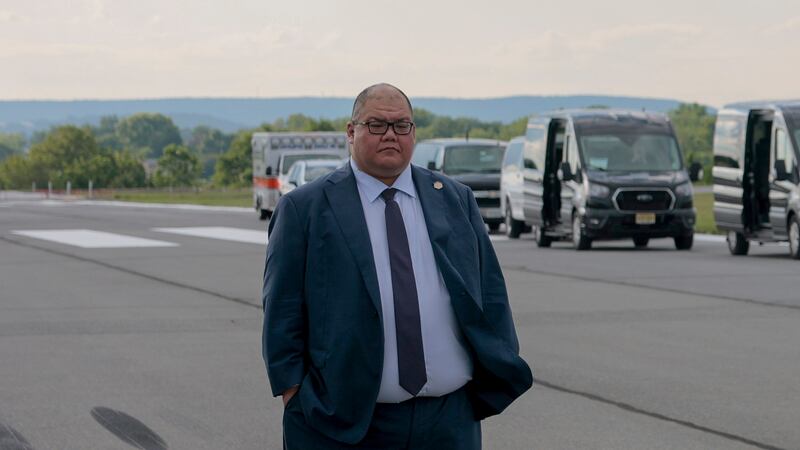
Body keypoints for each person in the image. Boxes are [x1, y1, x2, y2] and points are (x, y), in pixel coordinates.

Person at [262, 83, 532, 449]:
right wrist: (294, 394)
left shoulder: (454, 199)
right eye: (376, 124)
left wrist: (499, 363)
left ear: (414, 133)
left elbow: (490, 294)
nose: (390, 134)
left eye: (401, 125)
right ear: (350, 131)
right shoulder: (304, 209)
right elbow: (282, 311)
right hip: (344, 422)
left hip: (450, 420)